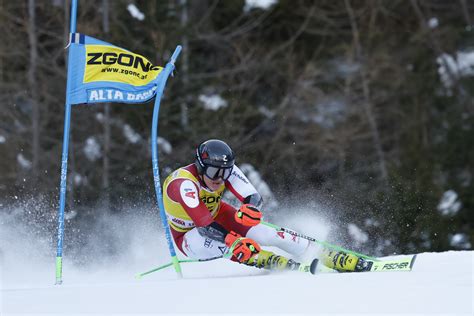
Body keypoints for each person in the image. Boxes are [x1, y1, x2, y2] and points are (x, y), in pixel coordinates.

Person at [162, 139, 369, 273]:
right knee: (238, 245)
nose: (220, 179)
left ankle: (325, 255)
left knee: (266, 234)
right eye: (215, 173)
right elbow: (204, 226)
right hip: (189, 235)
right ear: (200, 167)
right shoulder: (184, 184)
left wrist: (250, 209)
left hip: (217, 214)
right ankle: (278, 264)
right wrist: (234, 239)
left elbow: (251, 195)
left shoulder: (224, 170)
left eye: (225, 173)